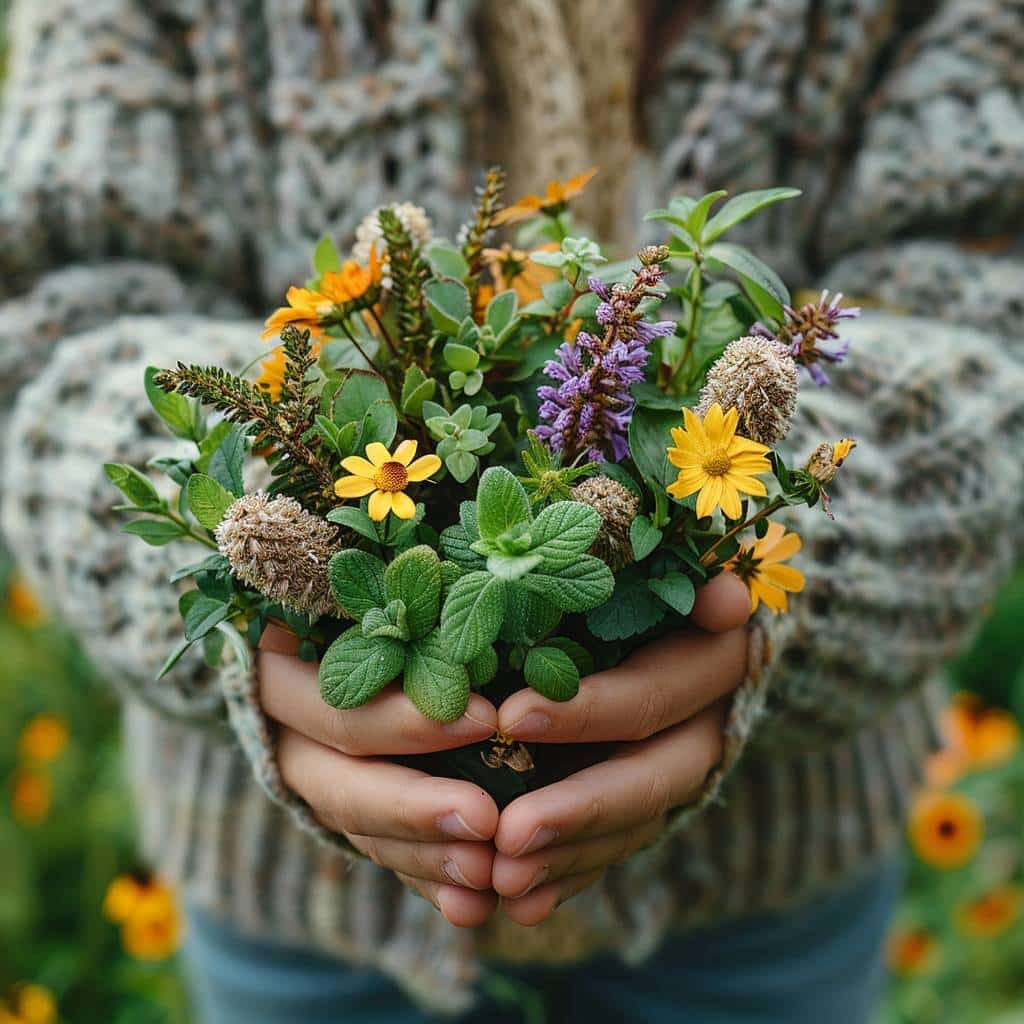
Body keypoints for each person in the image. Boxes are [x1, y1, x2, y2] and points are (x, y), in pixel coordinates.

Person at [2, 1, 1022, 1021]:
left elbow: (982, 313)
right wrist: (254, 566)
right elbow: (46, 315)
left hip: (762, 893)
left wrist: (760, 545)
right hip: (303, 921)